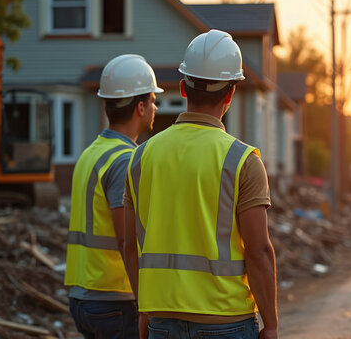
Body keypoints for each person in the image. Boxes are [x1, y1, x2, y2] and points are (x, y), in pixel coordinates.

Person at [123, 29, 278, 339]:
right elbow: (258, 251)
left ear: (182, 87)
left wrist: (145, 309)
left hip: (162, 320)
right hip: (226, 320)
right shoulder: (242, 160)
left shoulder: (141, 157)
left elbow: (130, 245)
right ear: (230, 94)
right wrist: (271, 325)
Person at [65, 54, 161, 339]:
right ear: (140, 107)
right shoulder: (123, 160)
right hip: (114, 300)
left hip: (84, 297)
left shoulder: (92, 152)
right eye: (154, 101)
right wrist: (145, 302)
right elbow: (125, 239)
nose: (156, 107)